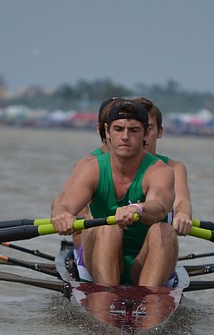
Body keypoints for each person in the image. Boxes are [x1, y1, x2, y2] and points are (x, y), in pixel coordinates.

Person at [51, 100, 178, 286]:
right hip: (100, 254)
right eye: (118, 129)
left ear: (145, 132)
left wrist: (138, 208)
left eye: (133, 130)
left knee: (165, 231)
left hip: (144, 261)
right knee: (109, 230)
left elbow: (159, 206)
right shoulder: (91, 169)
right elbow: (65, 204)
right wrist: (61, 215)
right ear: (107, 131)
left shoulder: (161, 171)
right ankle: (105, 297)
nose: (125, 136)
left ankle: (150, 302)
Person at [133, 97, 194, 236]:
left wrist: (182, 215)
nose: (143, 135)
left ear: (160, 132)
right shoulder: (107, 165)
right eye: (137, 128)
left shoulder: (174, 167)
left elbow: (182, 201)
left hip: (157, 238)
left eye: (148, 128)